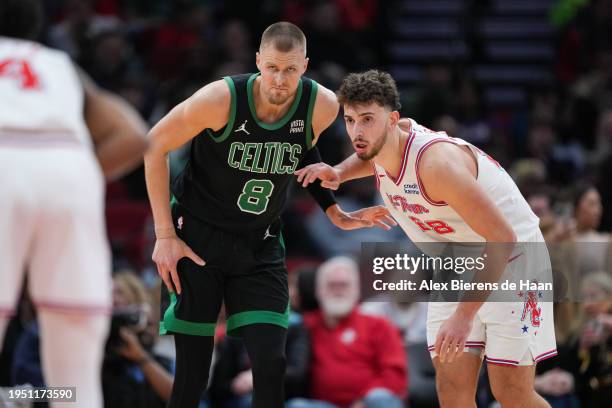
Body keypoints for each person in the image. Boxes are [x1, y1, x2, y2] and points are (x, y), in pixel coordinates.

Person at [144, 22, 391, 408]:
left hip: (258, 244)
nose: (280, 78)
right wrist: (163, 235)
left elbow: (302, 154)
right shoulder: (221, 98)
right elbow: (152, 144)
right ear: (258, 60)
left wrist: (331, 209)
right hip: (196, 238)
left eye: (290, 69)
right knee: (193, 374)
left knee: (271, 363)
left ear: (305, 66)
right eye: (272, 67)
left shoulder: (323, 105)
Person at [296, 70, 557, 408]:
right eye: (350, 120)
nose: (357, 131)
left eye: (367, 120)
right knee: (451, 388)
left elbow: (503, 239)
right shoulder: (383, 142)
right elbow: (368, 156)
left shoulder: (437, 165)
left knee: (510, 392)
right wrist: (340, 172)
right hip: (458, 262)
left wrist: (464, 316)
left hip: (514, 262)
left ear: (392, 120)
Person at [0, 1, 148, 407]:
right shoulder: (57, 65)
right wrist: (72, 184)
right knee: (76, 374)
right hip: (67, 172)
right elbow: (134, 135)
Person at [287, 256, 407, 408]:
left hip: (369, 403)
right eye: (332, 285)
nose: (338, 291)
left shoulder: (379, 325)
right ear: (318, 291)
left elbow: (395, 374)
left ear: (356, 289)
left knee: (380, 398)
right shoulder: (307, 325)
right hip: (325, 405)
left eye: (344, 285)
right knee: (297, 406)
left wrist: (363, 400)